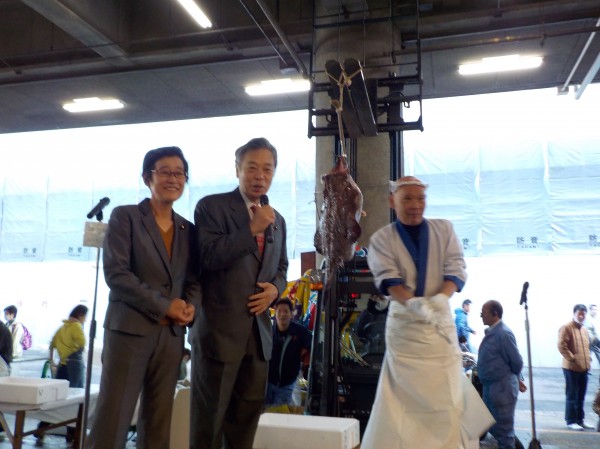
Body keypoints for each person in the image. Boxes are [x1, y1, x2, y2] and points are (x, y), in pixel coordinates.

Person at [86, 146, 201, 449]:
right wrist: (166, 305)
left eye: (179, 173)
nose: (173, 178)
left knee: (158, 425)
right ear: (147, 178)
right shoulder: (125, 217)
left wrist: (190, 307)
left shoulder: (188, 229)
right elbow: (117, 275)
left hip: (171, 337)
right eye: (165, 172)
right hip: (129, 334)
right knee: (113, 420)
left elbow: (194, 280)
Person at [190, 137, 288, 449]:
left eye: (267, 169)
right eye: (252, 168)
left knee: (246, 422)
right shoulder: (211, 207)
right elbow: (208, 256)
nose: (260, 176)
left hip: (259, 337)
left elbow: (281, 267)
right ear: (237, 170)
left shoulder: (277, 220)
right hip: (219, 334)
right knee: (209, 422)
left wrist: (275, 290)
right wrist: (251, 229)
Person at [361, 176, 469, 449]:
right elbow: (389, 280)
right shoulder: (382, 239)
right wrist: (414, 304)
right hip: (405, 330)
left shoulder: (444, 229)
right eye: (407, 198)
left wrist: (441, 299)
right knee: (400, 404)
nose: (415, 205)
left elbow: (456, 267)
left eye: (420, 198)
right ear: (392, 201)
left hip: (439, 327)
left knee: (446, 398)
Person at [477, 300, 524, 449]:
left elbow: (517, 362)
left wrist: (514, 378)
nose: (481, 315)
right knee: (492, 426)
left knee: (504, 432)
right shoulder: (493, 332)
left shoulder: (503, 333)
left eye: (483, 313)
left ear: (495, 314)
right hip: (492, 390)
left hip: (502, 391)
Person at [265, 297, 312, 408]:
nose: (282, 314)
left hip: (287, 385)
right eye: (279, 311)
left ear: (291, 314)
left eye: (286, 311)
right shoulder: (268, 332)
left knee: (279, 412)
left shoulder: (301, 332)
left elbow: (310, 347)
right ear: (275, 314)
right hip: (267, 384)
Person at [558, 303, 593, 431]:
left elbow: (586, 348)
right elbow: (561, 345)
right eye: (579, 313)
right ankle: (571, 421)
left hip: (584, 368)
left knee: (581, 396)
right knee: (572, 395)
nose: (581, 316)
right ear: (574, 314)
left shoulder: (584, 330)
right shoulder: (567, 327)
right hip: (571, 368)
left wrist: (588, 361)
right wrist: (572, 358)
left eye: (584, 314)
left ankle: (579, 420)